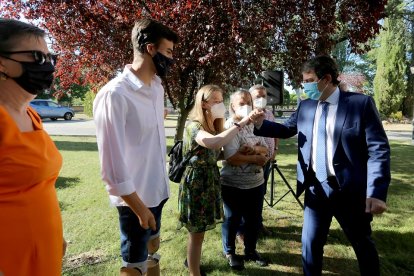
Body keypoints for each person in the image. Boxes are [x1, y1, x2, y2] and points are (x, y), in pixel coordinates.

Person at [251, 55, 391, 276]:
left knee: (362, 245)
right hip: (316, 188)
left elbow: (378, 149)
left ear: (326, 79)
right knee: (310, 245)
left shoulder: (360, 104)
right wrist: (260, 124)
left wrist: (376, 191)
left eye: (308, 80)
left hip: (350, 191)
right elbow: (287, 129)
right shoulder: (306, 105)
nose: (304, 85)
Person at [93, 19, 178, 276]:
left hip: (157, 191)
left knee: (153, 253)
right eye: (169, 52)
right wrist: (140, 209)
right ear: (151, 49)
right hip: (135, 200)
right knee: (135, 266)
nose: (172, 59)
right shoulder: (115, 95)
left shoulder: (156, 88)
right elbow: (112, 168)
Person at [0, 18, 66, 276]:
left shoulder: (30, 115)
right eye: (38, 57)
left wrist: (55, 235)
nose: (48, 66)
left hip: (44, 255)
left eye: (51, 58)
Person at [178, 84, 252, 276]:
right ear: (203, 104)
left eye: (221, 101)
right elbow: (213, 143)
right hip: (196, 184)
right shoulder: (194, 126)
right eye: (216, 101)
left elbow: (212, 154)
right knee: (196, 233)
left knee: (199, 233)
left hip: (208, 181)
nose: (220, 104)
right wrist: (241, 123)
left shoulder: (212, 125)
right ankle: (194, 272)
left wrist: (235, 152)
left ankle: (192, 264)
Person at [221, 89, 270, 270]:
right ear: (232, 106)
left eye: (248, 101)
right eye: (241, 103)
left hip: (256, 183)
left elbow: (266, 150)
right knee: (232, 219)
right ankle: (230, 252)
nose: (246, 105)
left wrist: (255, 150)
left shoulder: (253, 125)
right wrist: (255, 157)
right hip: (233, 184)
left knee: (253, 219)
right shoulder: (230, 126)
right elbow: (231, 157)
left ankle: (250, 250)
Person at [249, 84, 279, 235]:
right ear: (251, 99)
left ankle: (258, 223)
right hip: (253, 161)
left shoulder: (269, 113)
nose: (261, 99)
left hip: (267, 160)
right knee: (249, 196)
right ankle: (244, 229)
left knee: (261, 193)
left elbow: (275, 133)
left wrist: (275, 151)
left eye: (264, 96)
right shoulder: (247, 116)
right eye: (257, 97)